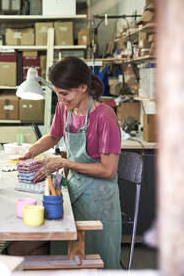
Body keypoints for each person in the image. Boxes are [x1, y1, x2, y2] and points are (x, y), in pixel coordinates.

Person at [13, 57, 121, 268]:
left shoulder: (104, 116)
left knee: (97, 260)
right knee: (66, 253)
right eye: (57, 94)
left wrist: (65, 163)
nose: (60, 100)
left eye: (64, 94)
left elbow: (108, 170)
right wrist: (30, 152)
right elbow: (53, 136)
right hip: (75, 187)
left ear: (82, 87)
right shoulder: (65, 109)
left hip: (100, 197)